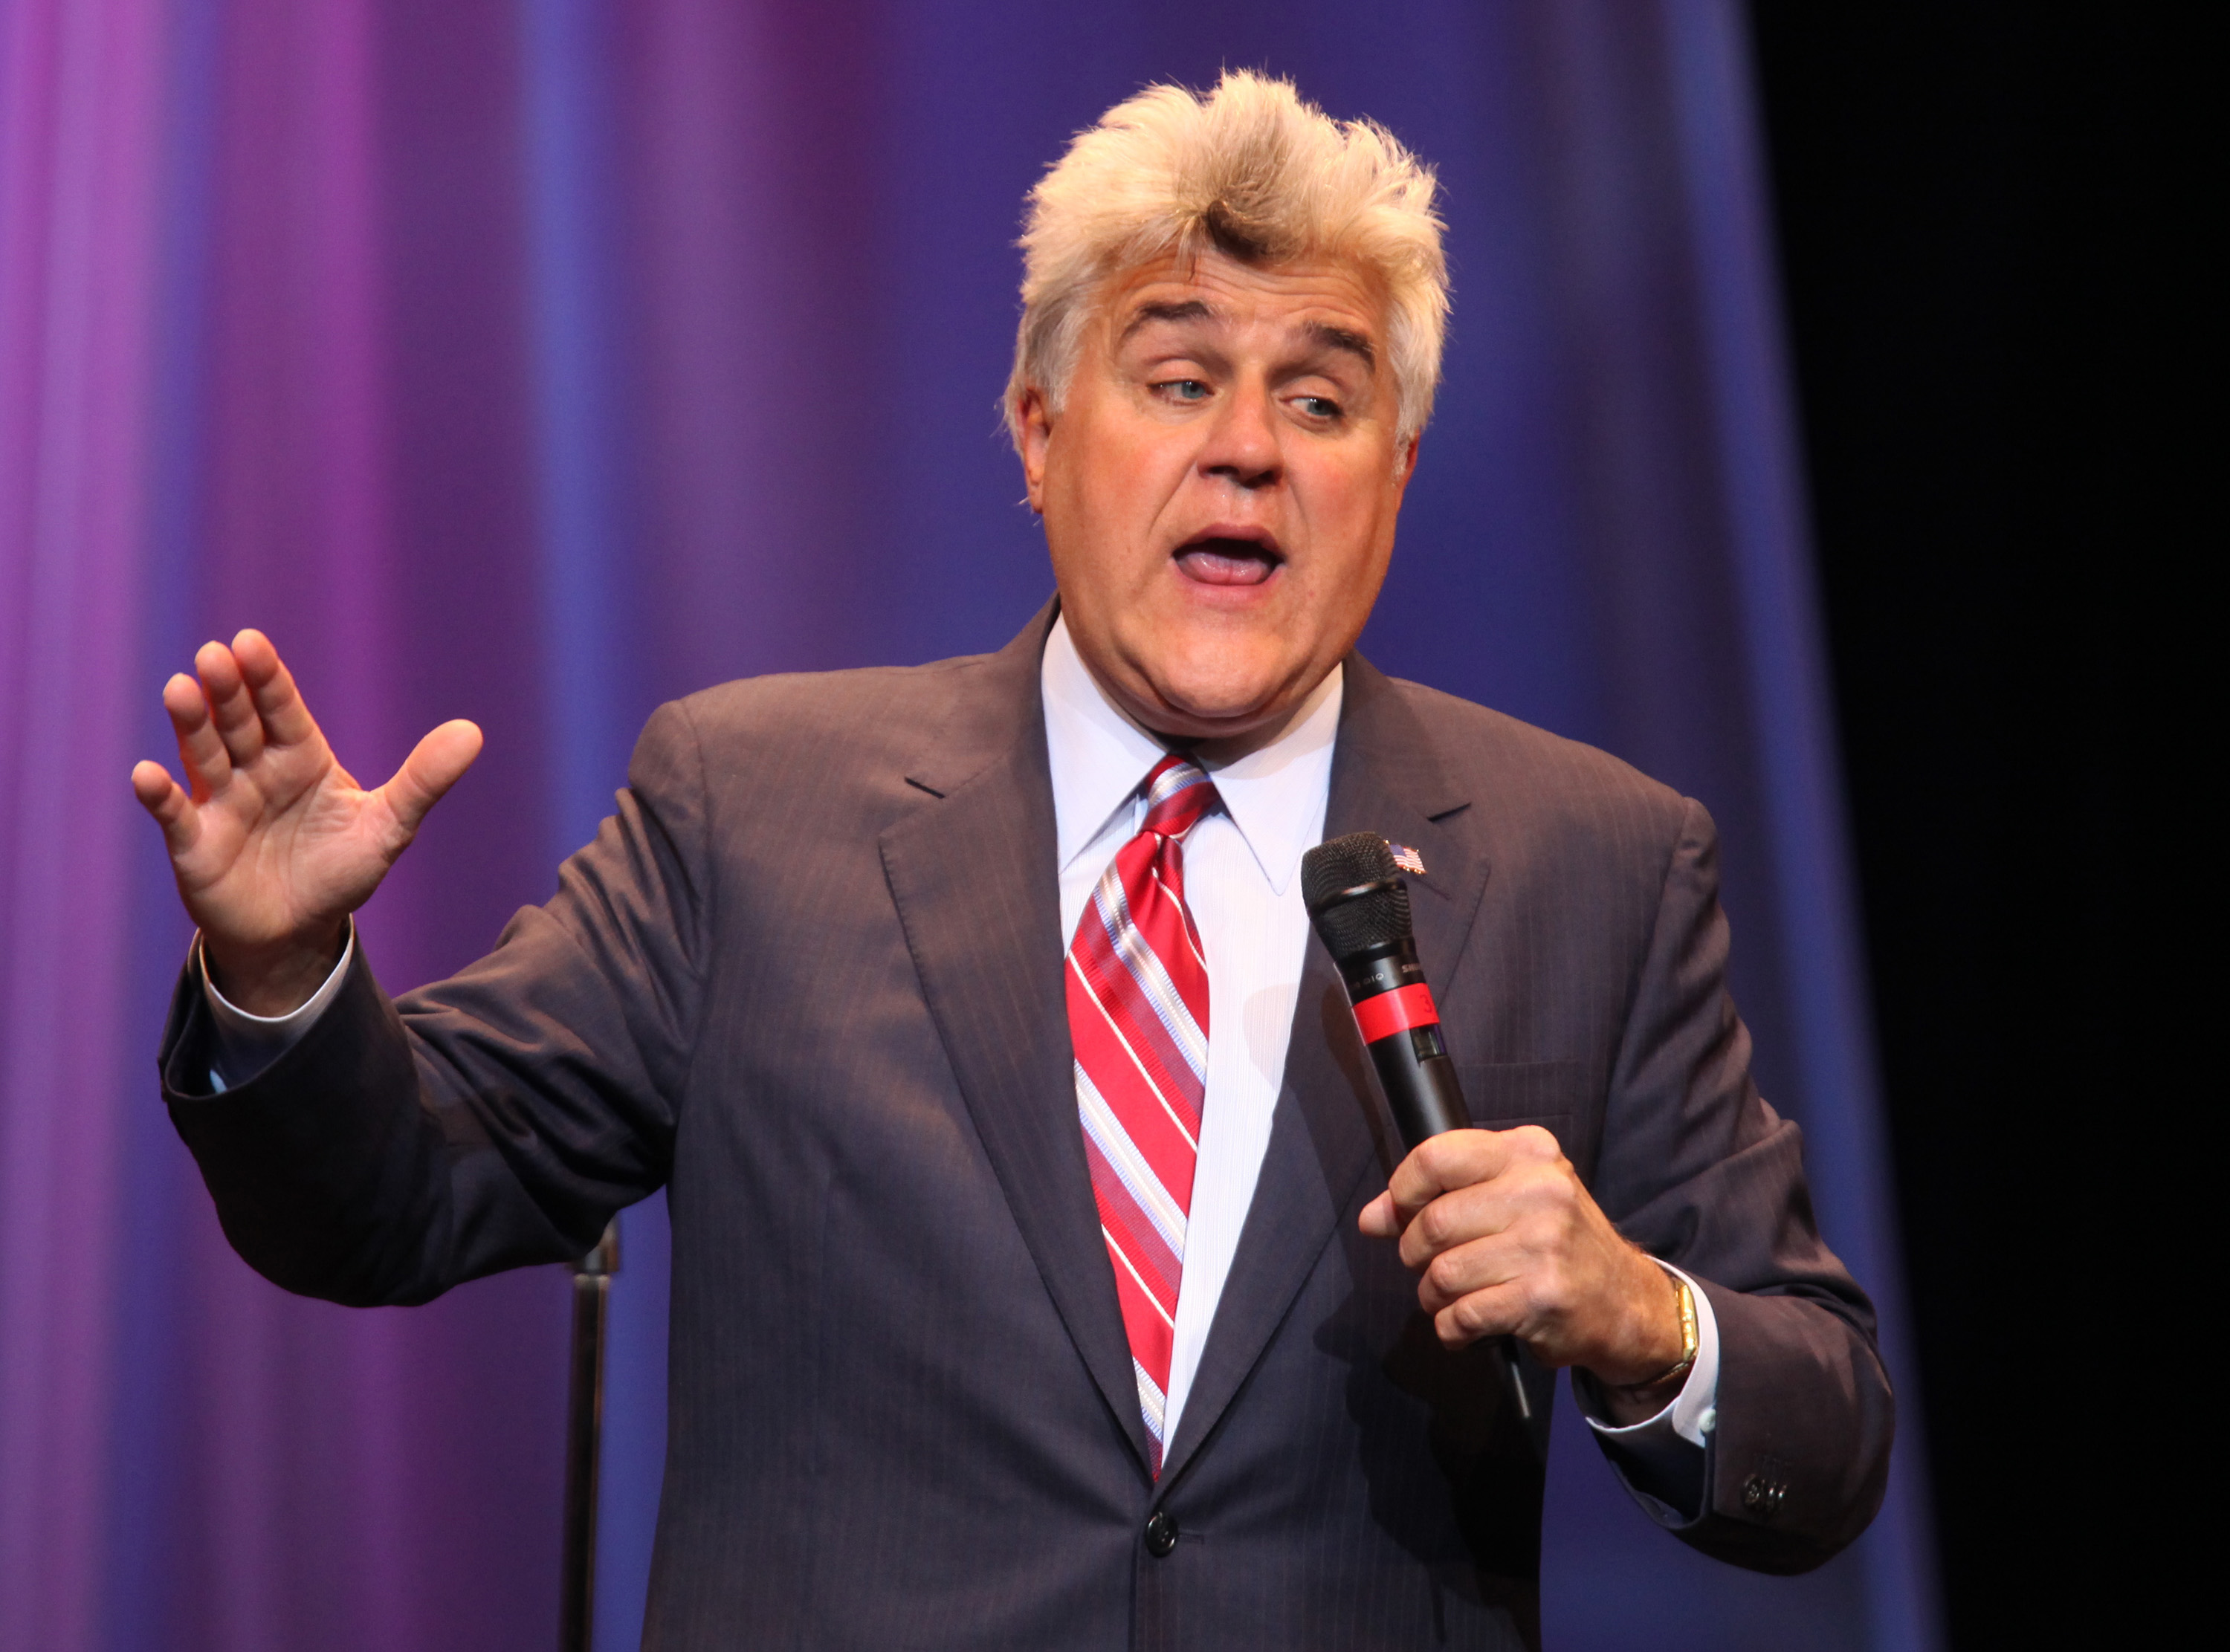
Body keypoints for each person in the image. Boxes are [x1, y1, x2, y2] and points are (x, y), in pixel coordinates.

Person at [134, 73, 1890, 1650]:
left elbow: (1827, 1432)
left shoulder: (1595, 860)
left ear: (1400, 468)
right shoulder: (754, 806)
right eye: (1179, 376)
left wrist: (1643, 1315)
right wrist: (284, 976)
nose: (1250, 449)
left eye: (1323, 400)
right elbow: (396, 1197)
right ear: (1042, 433)